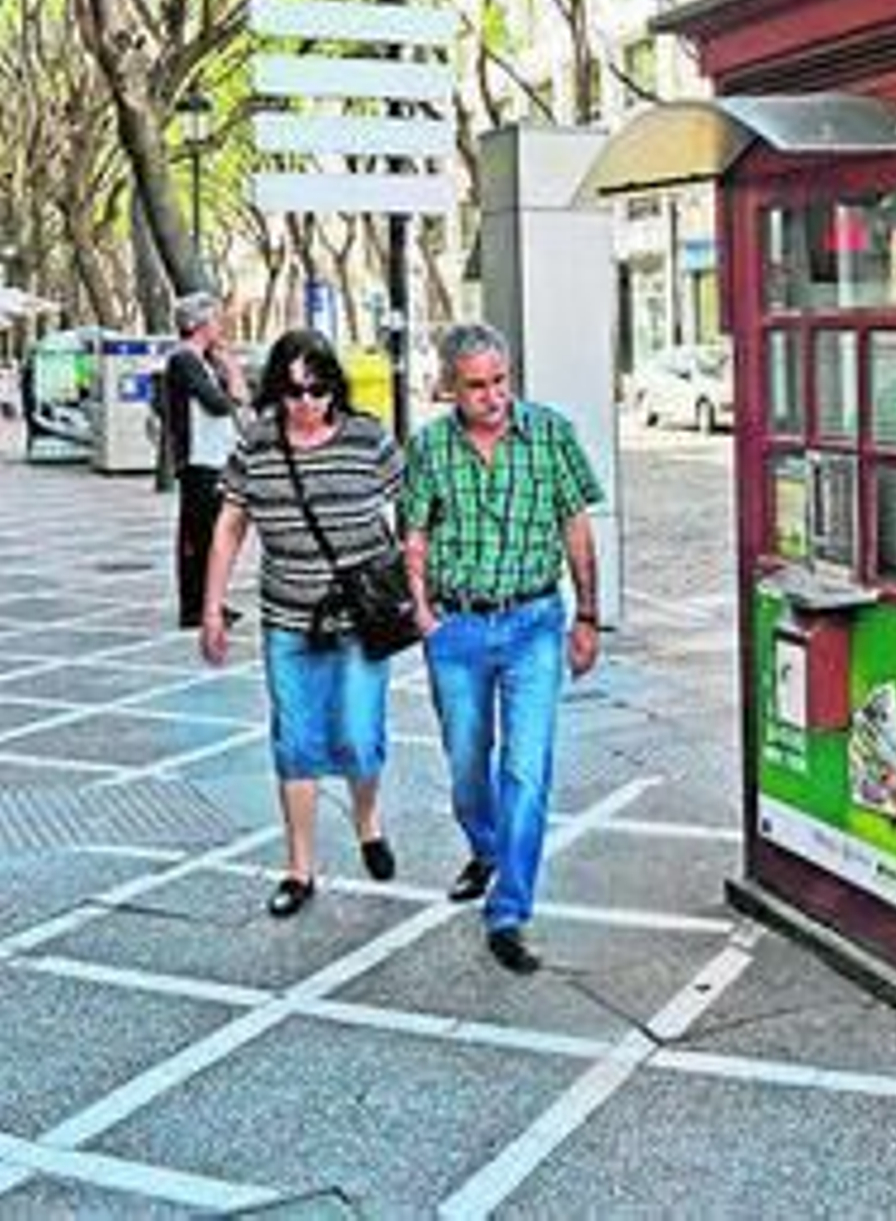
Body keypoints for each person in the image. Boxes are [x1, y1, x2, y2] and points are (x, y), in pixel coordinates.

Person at [402, 322, 603, 975]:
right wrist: (425, 614)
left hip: (532, 626)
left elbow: (576, 526)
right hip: (456, 631)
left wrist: (588, 616)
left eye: (500, 381)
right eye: (476, 386)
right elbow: (415, 535)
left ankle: (510, 911)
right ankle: (486, 847)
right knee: (466, 765)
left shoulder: (550, 434)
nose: (492, 397)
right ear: (449, 388)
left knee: (526, 769)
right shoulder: (430, 447)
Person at [200, 329, 404, 918]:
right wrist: (212, 608)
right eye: (292, 392)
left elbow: (412, 510)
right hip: (288, 619)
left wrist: (419, 590)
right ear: (276, 392)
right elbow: (230, 526)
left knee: (360, 740)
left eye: (316, 390)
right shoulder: (258, 446)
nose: (306, 403)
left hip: (361, 621)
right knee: (296, 742)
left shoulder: (368, 438)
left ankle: (367, 820)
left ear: (333, 386)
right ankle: (300, 868)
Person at [166, 292, 247, 627]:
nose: (220, 326)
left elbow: (239, 398)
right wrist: (230, 373)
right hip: (198, 460)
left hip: (214, 457)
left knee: (211, 534)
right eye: (215, 319)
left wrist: (228, 368)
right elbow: (220, 403)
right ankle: (193, 607)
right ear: (199, 324)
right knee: (197, 534)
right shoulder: (183, 360)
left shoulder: (202, 361)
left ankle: (209, 602)